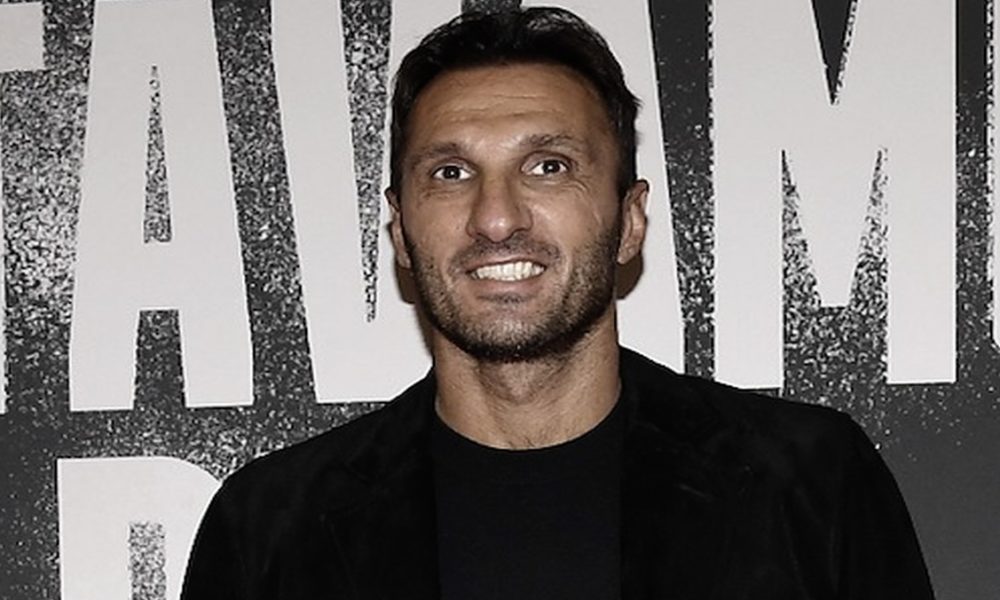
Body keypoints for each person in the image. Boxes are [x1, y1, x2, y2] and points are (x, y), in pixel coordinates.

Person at [181, 7, 935, 599]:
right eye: (450, 173)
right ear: (401, 230)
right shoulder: (269, 530)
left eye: (548, 166)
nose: (496, 218)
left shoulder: (809, 485)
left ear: (629, 220)